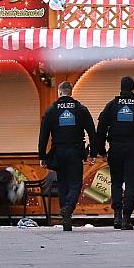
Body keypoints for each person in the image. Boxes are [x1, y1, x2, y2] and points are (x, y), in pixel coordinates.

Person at [96, 76, 134, 230]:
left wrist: (102, 151)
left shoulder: (112, 105)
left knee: (116, 181)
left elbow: (101, 129)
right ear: (133, 88)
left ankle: (116, 215)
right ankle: (126, 219)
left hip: (115, 148)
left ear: (121, 87)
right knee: (130, 183)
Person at [38, 81, 97, 231]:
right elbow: (92, 132)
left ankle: (66, 217)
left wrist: (42, 156)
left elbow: (43, 135)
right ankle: (69, 208)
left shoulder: (51, 110)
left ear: (59, 92)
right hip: (75, 151)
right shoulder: (80, 109)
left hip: (58, 152)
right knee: (75, 183)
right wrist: (93, 153)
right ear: (70, 92)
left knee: (63, 183)